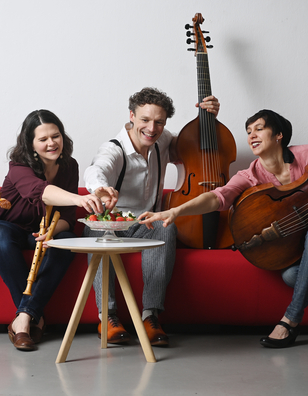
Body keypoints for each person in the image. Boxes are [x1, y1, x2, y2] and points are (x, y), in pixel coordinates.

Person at [140, 109, 308, 348]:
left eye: (259, 128)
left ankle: (290, 320)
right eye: (249, 131)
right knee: (291, 274)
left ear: (279, 134)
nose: (252, 136)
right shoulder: (251, 175)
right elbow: (218, 197)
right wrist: (174, 211)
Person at [83, 87, 220, 346]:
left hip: (145, 221)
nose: (151, 128)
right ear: (132, 116)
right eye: (145, 120)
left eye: (159, 121)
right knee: (98, 232)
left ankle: (150, 316)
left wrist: (208, 119)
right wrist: (99, 188)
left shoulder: (164, 140)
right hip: (113, 223)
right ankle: (107, 316)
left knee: (166, 226)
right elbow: (97, 168)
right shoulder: (114, 148)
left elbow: (195, 147)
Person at [0, 110, 117, 351]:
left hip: (39, 232)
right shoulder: (18, 165)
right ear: (30, 144)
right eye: (43, 139)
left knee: (67, 240)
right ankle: (32, 317)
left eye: (56, 136)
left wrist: (52, 231)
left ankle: (23, 318)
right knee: (0, 234)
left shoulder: (69, 165)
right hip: (3, 227)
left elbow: (67, 219)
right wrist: (79, 198)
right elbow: (40, 192)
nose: (51, 143)